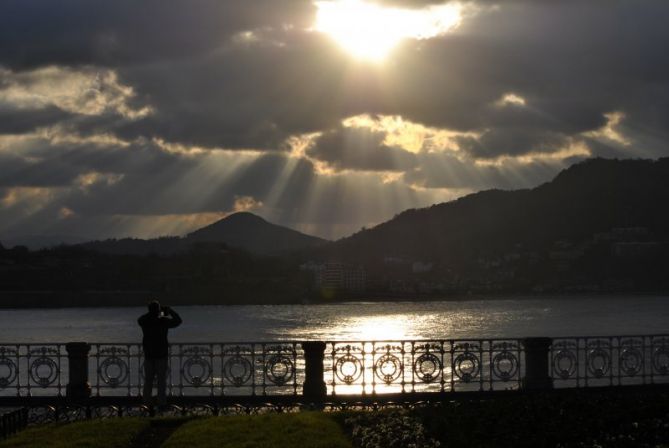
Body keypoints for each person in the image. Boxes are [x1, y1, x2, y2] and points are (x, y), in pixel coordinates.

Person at [137, 300, 182, 407]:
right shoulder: (162, 321)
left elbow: (140, 320)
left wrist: (155, 313)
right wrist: (168, 311)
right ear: (158, 309)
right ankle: (161, 402)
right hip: (161, 355)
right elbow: (178, 321)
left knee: (148, 381)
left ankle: (146, 402)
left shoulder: (145, 320)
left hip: (149, 355)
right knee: (161, 381)